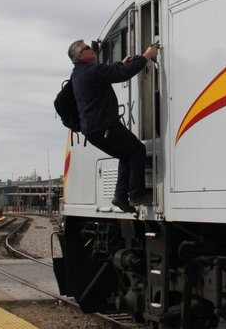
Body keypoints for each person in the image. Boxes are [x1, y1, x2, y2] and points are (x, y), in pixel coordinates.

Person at [68, 38, 159, 211]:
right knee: (137, 150)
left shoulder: (78, 73)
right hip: (104, 126)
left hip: (92, 131)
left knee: (126, 155)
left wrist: (120, 63)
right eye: (88, 48)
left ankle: (120, 197)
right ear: (80, 55)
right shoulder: (91, 70)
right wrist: (147, 56)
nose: (92, 49)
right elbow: (122, 74)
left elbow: (109, 72)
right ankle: (137, 195)